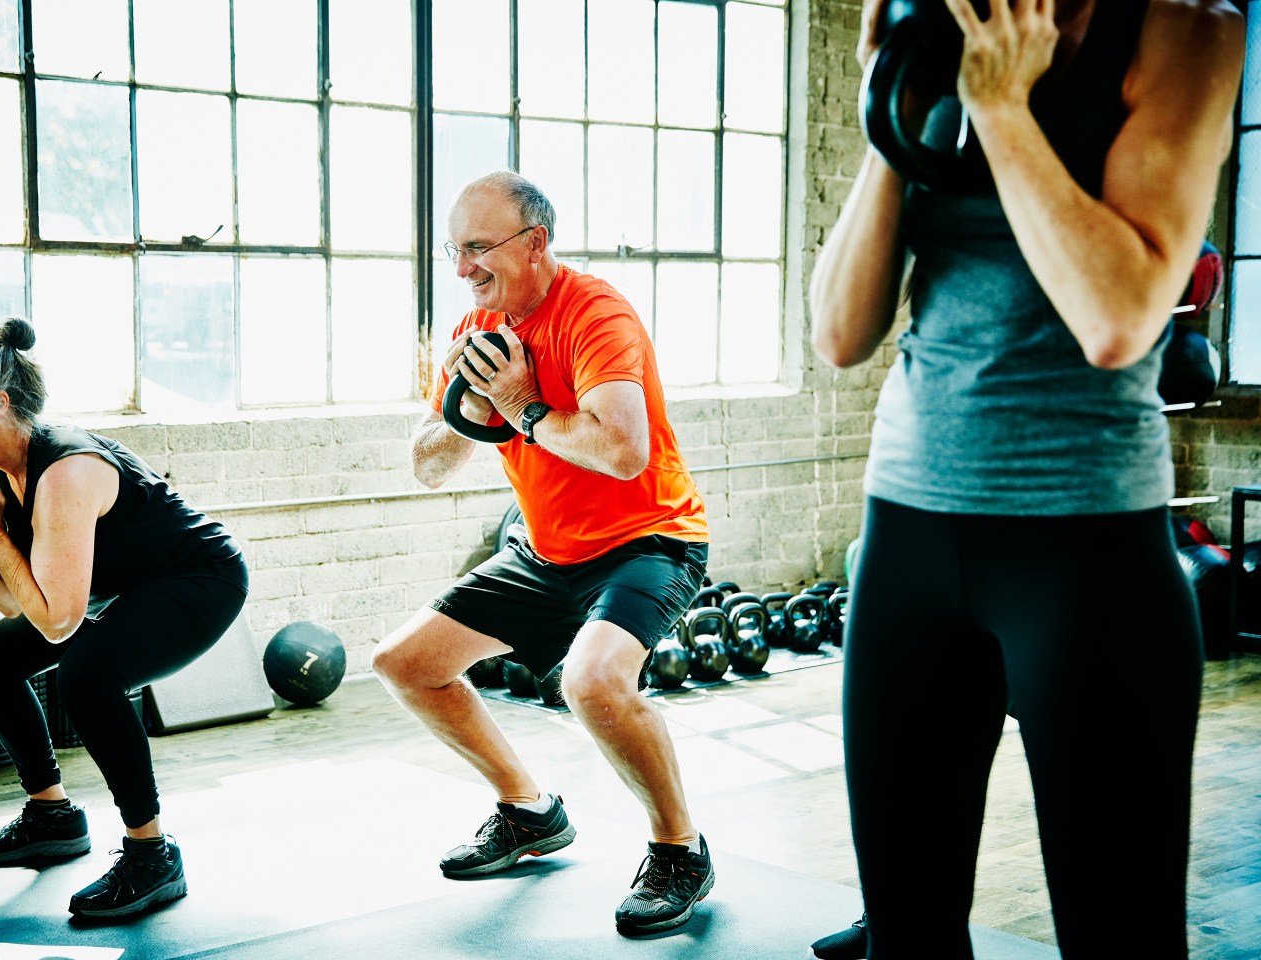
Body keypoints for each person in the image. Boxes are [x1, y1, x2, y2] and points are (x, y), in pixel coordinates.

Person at [805, 1, 1244, 958]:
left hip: (1085, 548)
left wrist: (1001, 109)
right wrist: (892, 103)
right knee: (906, 936)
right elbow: (839, 333)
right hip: (908, 533)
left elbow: (1118, 319)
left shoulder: (1183, 29)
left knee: (1121, 938)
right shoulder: (941, 31)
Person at [370, 171, 714, 936]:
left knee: (591, 684)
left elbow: (623, 452)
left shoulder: (595, 314)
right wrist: (470, 408)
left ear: (535, 244)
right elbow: (427, 466)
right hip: (547, 552)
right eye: (454, 252)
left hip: (648, 541)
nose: (463, 269)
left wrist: (523, 406)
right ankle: (528, 810)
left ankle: (679, 850)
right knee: (405, 663)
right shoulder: (476, 333)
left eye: (477, 248)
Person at [0, 317, 250, 919]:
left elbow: (56, 624)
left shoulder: (67, 471)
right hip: (118, 588)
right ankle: (52, 815)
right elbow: (16, 604)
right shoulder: (1, 474)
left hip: (197, 579)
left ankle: (152, 853)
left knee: (89, 676)